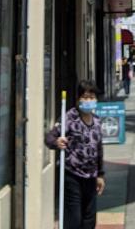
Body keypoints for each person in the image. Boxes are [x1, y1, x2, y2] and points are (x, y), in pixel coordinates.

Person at [45, 80, 105, 229]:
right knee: (74, 219)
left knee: (89, 220)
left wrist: (100, 175)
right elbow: (49, 138)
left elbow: (99, 150)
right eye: (85, 97)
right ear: (78, 99)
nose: (88, 101)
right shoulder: (69, 118)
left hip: (91, 177)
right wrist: (57, 142)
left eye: (91, 97)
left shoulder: (97, 121)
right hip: (72, 175)